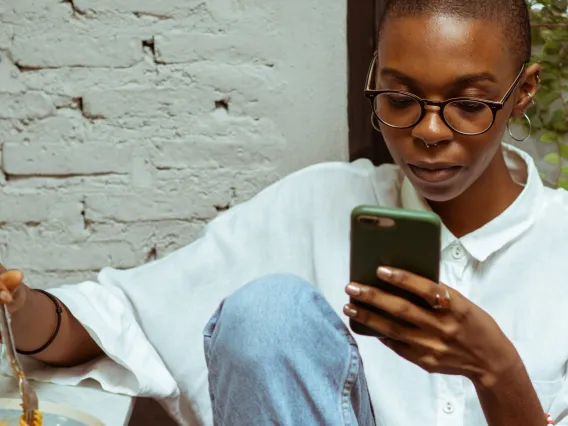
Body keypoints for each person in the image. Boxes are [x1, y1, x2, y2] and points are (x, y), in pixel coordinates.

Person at [0, 0, 567, 424]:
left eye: (468, 105)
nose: (429, 130)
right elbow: (133, 316)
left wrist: (495, 369)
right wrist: (22, 309)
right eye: (400, 100)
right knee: (266, 314)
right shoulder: (315, 205)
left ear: (522, 92)